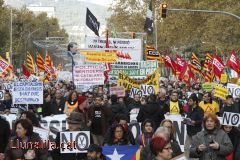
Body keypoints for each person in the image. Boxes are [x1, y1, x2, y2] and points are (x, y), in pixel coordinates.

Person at [183, 93, 204, 158]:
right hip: (189, 132)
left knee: (195, 149)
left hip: (196, 133)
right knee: (186, 147)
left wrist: (195, 122)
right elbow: (188, 117)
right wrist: (185, 121)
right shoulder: (189, 108)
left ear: (195, 102)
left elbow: (201, 120)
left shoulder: (200, 110)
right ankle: (186, 158)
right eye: (188, 101)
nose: (188, 102)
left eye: (190, 101)